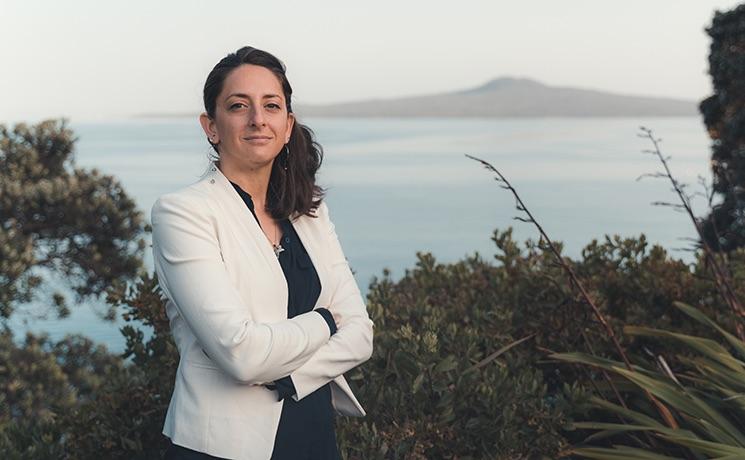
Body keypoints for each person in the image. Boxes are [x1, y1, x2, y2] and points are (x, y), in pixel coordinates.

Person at [151, 46, 375, 460]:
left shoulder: (309, 213)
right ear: (211, 127)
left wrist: (289, 377)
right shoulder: (183, 213)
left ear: (287, 126)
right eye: (238, 106)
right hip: (221, 447)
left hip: (314, 437)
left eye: (271, 105)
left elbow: (360, 334)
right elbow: (241, 354)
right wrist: (325, 322)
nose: (257, 118)